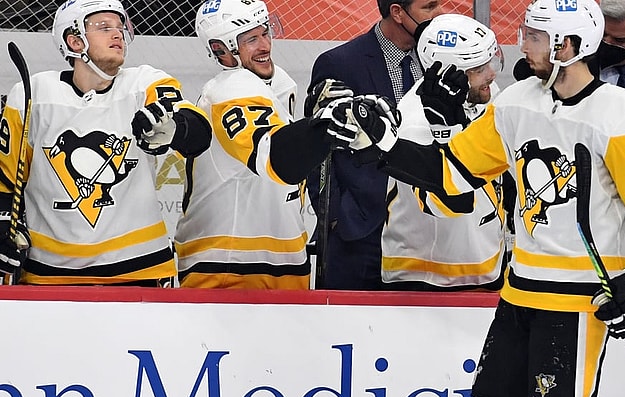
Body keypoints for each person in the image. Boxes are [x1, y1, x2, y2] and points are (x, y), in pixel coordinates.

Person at [361, 0, 625, 397]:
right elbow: (453, 176)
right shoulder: (516, 102)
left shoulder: (618, 114)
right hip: (519, 291)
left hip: (580, 299)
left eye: (534, 37)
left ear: (568, 46)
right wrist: (386, 145)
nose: (522, 46)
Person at [0, 0, 211, 285]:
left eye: (120, 27)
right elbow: (5, 177)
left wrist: (175, 127)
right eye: (103, 27)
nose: (117, 34)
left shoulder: (144, 83)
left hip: (141, 269)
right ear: (74, 41)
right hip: (50, 274)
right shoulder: (33, 93)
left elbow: (197, 131)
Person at [175, 0, 355, 288]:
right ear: (222, 52)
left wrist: (318, 124)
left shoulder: (276, 83)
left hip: (279, 257)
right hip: (232, 264)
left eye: (265, 32)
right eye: (250, 39)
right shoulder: (230, 90)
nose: (265, 45)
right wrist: (325, 124)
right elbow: (278, 161)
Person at [305, 0, 444, 290]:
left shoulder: (441, 60)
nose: (438, 15)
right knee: (350, 332)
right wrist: (338, 220)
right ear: (397, 12)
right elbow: (317, 148)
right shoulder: (340, 63)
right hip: (361, 236)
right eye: (429, 7)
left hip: (429, 233)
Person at [382, 13, 511, 291]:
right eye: (479, 68)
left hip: (485, 267)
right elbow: (450, 205)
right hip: (430, 278)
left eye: (490, 61)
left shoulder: (485, 94)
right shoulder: (414, 122)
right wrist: (447, 132)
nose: (492, 73)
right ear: (447, 74)